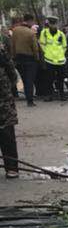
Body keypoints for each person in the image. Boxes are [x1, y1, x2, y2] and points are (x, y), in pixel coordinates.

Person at [8, 16, 40, 107]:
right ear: (29, 22)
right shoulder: (31, 33)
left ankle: (28, 98)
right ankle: (30, 100)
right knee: (29, 80)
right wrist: (37, 59)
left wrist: (13, 57)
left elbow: (12, 45)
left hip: (18, 59)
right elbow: (35, 48)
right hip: (30, 59)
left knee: (24, 79)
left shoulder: (15, 31)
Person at [0, 39, 20, 177]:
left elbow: (13, 74)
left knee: (7, 134)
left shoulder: (2, 53)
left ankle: (12, 167)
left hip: (3, 100)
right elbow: (13, 75)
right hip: (4, 100)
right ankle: (11, 168)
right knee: (7, 136)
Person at [39, 17, 68, 101]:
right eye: (51, 23)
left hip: (60, 60)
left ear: (57, 24)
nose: (53, 25)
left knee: (60, 78)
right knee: (49, 79)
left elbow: (64, 46)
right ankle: (49, 95)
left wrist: (61, 53)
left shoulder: (61, 34)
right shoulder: (44, 33)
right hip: (49, 59)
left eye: (54, 23)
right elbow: (42, 44)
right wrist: (47, 52)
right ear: (49, 24)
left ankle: (61, 95)